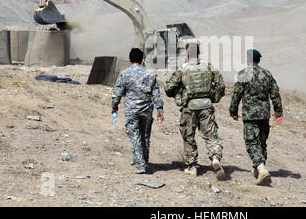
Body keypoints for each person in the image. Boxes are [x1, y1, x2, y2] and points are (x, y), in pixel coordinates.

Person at [164, 42, 226, 180]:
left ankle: (192, 166)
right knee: (211, 135)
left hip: (189, 108)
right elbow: (221, 85)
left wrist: (178, 95)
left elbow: (168, 87)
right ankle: (215, 158)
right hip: (206, 106)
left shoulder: (183, 69)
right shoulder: (209, 66)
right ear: (198, 52)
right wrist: (213, 97)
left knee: (188, 135)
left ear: (187, 53)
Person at [229, 49, 283, 185]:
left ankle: (261, 168)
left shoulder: (244, 74)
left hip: (250, 115)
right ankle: (257, 169)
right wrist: (278, 113)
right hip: (264, 114)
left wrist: (233, 110)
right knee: (261, 142)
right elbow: (275, 95)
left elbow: (237, 95)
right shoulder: (267, 74)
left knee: (251, 142)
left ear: (247, 59)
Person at [112, 48, 164, 174]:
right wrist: (160, 109)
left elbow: (117, 92)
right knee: (145, 136)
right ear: (142, 59)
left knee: (135, 136)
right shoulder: (150, 74)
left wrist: (115, 106)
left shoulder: (125, 74)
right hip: (147, 110)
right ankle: (143, 161)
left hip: (131, 110)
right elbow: (156, 94)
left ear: (130, 59)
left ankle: (141, 165)